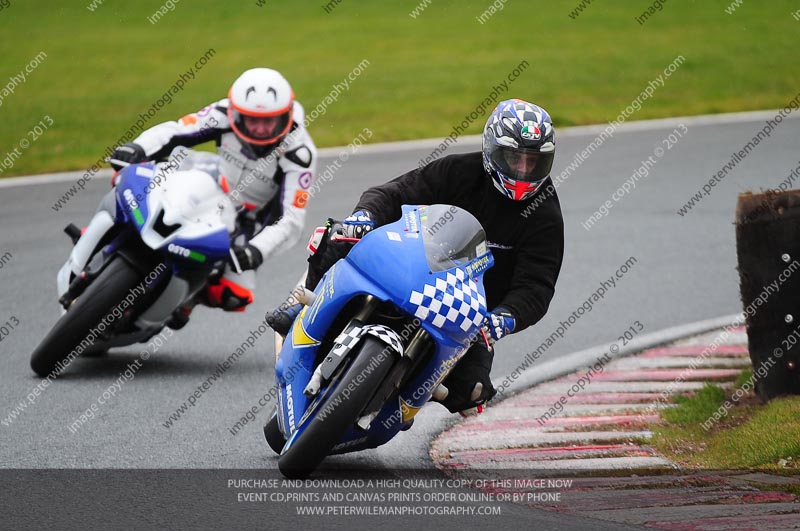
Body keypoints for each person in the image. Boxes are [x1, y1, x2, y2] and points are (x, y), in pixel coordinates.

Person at [269, 99, 564, 415]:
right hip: (413, 269)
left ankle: (409, 398)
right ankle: (303, 311)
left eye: (532, 162)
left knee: (473, 392)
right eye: (514, 158)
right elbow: (392, 193)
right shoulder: (459, 171)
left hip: (468, 314)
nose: (522, 170)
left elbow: (537, 288)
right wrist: (364, 218)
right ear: (492, 150)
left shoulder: (544, 215)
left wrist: (501, 320)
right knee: (336, 236)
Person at [59, 68, 317, 317]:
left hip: (249, 217)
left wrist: (256, 250)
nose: (260, 129)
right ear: (237, 114)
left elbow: (291, 218)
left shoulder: (299, 153)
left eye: (268, 121)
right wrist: (138, 147)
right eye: (252, 120)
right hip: (210, 177)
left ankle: (186, 299)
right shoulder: (223, 112)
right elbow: (178, 129)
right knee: (128, 180)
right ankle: (102, 233)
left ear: (284, 116)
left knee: (234, 294)